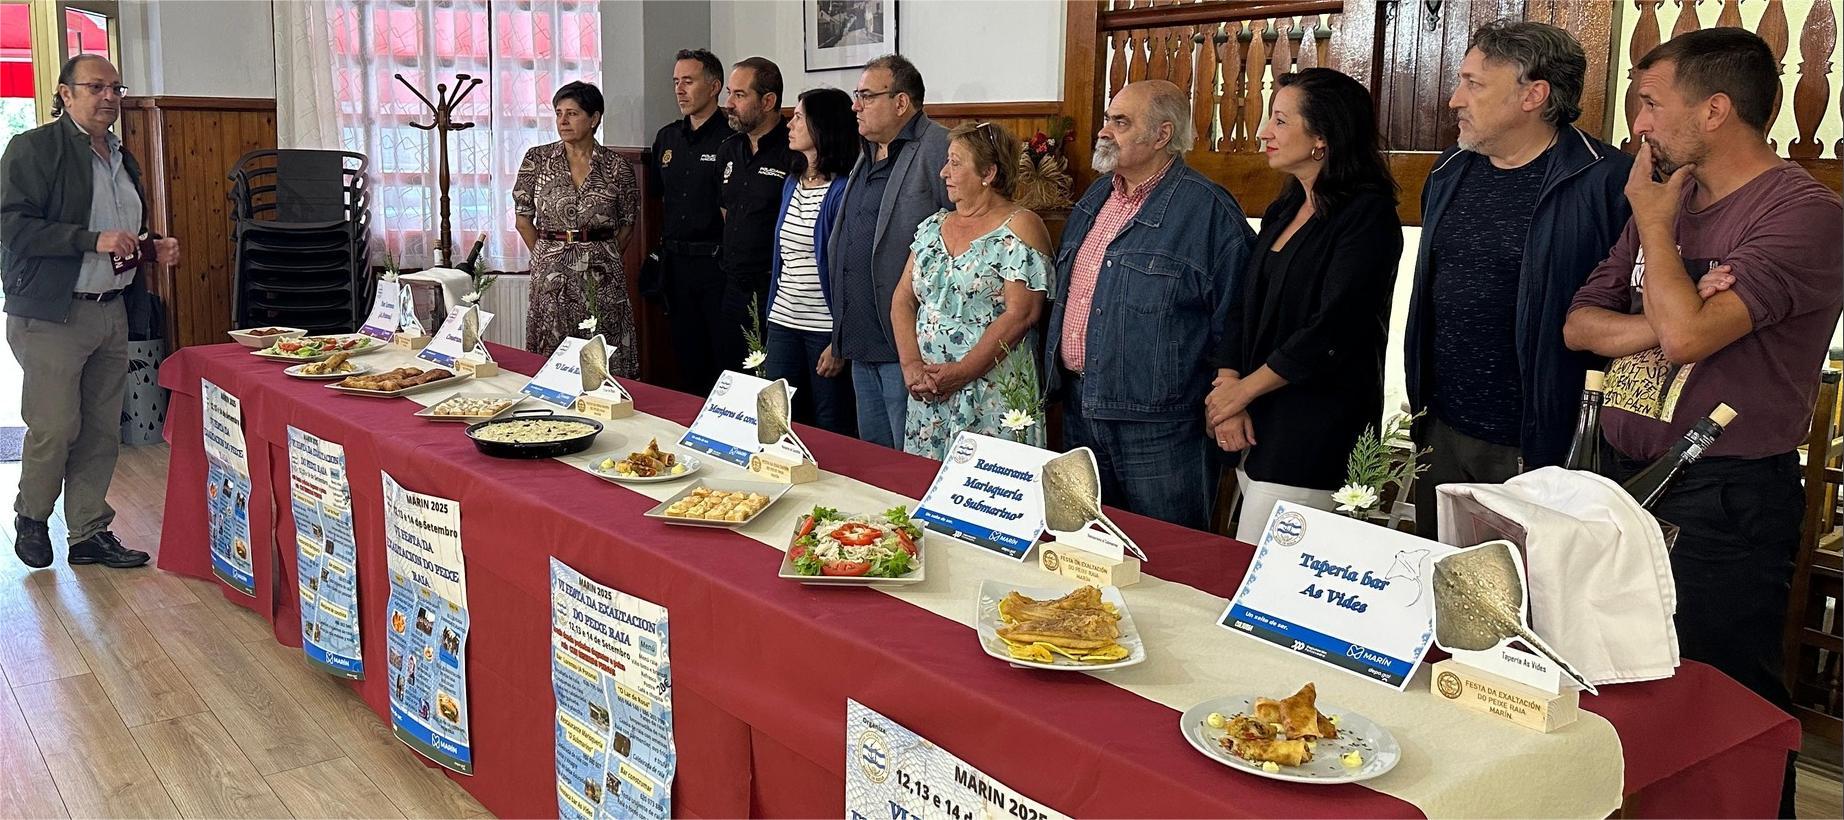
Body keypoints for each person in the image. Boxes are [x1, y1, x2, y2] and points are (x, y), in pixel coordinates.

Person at [1563, 28, 1842, 816]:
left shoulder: (1804, 214)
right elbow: (1580, 325)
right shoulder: (1670, 197)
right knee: (1631, 697)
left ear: (1715, 110)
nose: (1638, 125)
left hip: (1724, 495)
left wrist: (1657, 239)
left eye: (1652, 104)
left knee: (1723, 705)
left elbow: (1689, 338)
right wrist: (1672, 307)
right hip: (1624, 480)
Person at [1403, 20, 1634, 542]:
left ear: (1534, 95)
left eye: (1474, 83)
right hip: (1442, 429)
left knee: (1527, 588)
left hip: (1541, 445)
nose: (1455, 99)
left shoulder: (1607, 181)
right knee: (1438, 575)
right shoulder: (1450, 169)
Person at [1043, 80, 1254, 531]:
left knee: (1170, 553)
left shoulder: (1208, 210)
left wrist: (1230, 399)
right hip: (1082, 408)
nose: (1105, 131)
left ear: (1162, 135)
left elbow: (1238, 317)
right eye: (1107, 119)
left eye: (1121, 122)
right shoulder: (1096, 196)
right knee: (1089, 549)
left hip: (1161, 426)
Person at [1203, 68, 1402, 543]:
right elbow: (1242, 306)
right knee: (1240, 558)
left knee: (1264, 569)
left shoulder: (1368, 216)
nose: (1263, 132)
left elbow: (1332, 329)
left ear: (1322, 137)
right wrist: (1229, 387)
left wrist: (1243, 392)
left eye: (1280, 120)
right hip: (1257, 417)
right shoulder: (1286, 206)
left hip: (1314, 427)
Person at [1, 54, 179, 569]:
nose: (109, 97)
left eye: (116, 89)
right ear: (65, 93)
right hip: (52, 314)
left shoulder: (122, 156)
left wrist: (151, 247)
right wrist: (89, 239)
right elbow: (11, 226)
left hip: (111, 309)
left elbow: (119, 236)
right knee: (56, 426)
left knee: (102, 429)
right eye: (96, 87)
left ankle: (88, 533)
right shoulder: (33, 148)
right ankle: (32, 515)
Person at [892, 122, 1052, 458]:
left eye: (955, 163)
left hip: (991, 392)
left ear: (988, 173)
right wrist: (912, 366)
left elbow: (1021, 315)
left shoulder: (1021, 226)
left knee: (989, 482)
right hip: (930, 391)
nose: (943, 172)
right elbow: (903, 299)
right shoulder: (933, 225)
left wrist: (961, 373)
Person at [830, 54, 952, 448]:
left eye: (866, 96)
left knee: (909, 460)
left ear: (901, 102)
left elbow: (961, 234)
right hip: (861, 338)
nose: (855, 106)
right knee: (874, 460)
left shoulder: (939, 147)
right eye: (857, 95)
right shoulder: (866, 150)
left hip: (907, 346)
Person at [514, 81, 640, 365]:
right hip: (551, 273)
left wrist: (601, 254)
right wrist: (546, 255)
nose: (563, 121)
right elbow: (523, 219)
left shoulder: (617, 166)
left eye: (572, 114)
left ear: (594, 118)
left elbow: (627, 224)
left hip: (603, 274)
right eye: (559, 113)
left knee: (602, 350)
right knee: (552, 352)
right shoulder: (537, 159)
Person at [763, 88, 856, 434]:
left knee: (830, 425)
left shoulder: (842, 189)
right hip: (783, 320)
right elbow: (783, 256)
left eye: (799, 117)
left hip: (823, 328)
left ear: (822, 126)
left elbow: (848, 271)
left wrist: (839, 340)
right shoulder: (792, 182)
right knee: (779, 421)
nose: (790, 124)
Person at [649, 48, 735, 396]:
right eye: (676, 82)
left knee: (724, 359)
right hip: (676, 265)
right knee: (687, 358)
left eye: (688, 81)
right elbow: (658, 198)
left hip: (717, 264)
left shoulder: (732, 138)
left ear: (714, 87)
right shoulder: (668, 138)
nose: (679, 90)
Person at [718, 57, 801, 372]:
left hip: (775, 288)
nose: (729, 103)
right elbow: (726, 209)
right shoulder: (728, 149)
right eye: (730, 93)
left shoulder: (794, 151)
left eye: (740, 95)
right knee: (731, 375)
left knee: (773, 379)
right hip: (732, 284)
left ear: (768, 101)